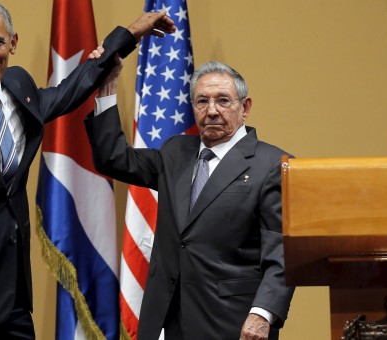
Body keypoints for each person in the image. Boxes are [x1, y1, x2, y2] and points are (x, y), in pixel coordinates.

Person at [0, 1, 175, 339]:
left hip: (13, 301)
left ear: (12, 42)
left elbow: (69, 91)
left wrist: (127, 36)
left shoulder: (19, 88)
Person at [84, 58, 295, 339]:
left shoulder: (272, 164)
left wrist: (263, 314)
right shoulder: (175, 152)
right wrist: (108, 87)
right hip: (167, 322)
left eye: (223, 101)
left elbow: (282, 253)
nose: (212, 111)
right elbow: (114, 158)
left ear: (245, 108)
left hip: (233, 324)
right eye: (202, 101)